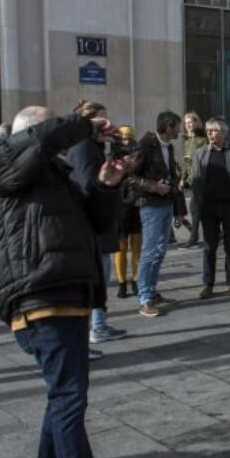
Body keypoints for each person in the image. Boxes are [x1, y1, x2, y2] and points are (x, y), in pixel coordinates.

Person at [0, 105, 128, 458]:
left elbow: (95, 223)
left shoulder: (53, 176)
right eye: (49, 125)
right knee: (69, 396)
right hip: (38, 293)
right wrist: (82, 125)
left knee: (62, 394)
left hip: (68, 292)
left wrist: (105, 185)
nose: (56, 134)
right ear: (26, 136)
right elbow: (42, 140)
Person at [65, 100, 126, 353]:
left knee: (100, 281)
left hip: (98, 226)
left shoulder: (92, 147)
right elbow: (89, 187)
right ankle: (91, 332)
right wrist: (109, 184)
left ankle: (99, 325)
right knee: (94, 283)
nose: (107, 125)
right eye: (101, 120)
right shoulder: (83, 149)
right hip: (92, 228)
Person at [127, 111, 184, 318]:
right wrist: (153, 187)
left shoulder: (168, 146)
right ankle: (144, 298)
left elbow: (173, 178)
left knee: (160, 251)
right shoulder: (146, 145)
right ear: (168, 126)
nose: (180, 130)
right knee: (150, 251)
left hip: (166, 204)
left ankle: (151, 291)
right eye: (178, 126)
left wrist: (178, 211)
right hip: (150, 205)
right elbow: (130, 177)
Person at [191, 118, 230, 297]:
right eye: (208, 131)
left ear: (224, 133)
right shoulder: (200, 153)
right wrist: (199, 203)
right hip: (208, 207)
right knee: (209, 246)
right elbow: (195, 181)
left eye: (214, 130)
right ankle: (208, 284)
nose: (210, 134)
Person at [112, 125, 142, 299]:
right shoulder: (112, 155)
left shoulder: (138, 154)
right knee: (121, 248)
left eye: (128, 138)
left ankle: (136, 280)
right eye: (123, 138)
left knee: (137, 246)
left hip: (136, 203)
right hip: (120, 205)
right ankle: (122, 283)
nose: (126, 141)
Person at [181, 111, 207, 248]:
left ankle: (193, 237)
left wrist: (193, 161)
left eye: (191, 122)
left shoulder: (202, 140)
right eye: (186, 123)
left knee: (195, 208)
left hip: (201, 178)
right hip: (192, 178)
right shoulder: (187, 141)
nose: (189, 125)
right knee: (199, 209)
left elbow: (205, 159)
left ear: (197, 123)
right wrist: (182, 178)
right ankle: (218, 232)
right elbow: (186, 163)